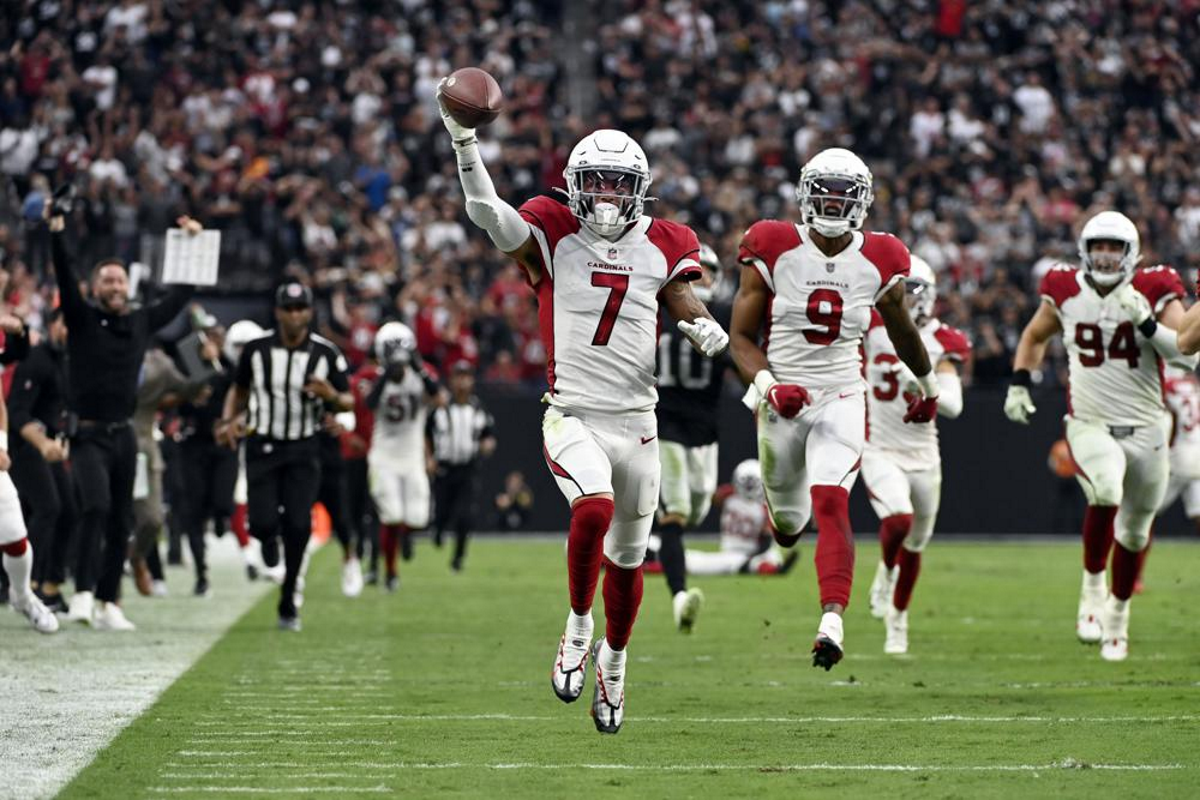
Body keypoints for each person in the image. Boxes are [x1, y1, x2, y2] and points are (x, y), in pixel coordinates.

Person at [438, 83, 728, 734]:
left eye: (616, 183)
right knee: (592, 507)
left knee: (628, 564)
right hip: (573, 412)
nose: (604, 196)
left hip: (639, 422)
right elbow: (487, 210)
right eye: (594, 181)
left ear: (638, 189)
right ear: (574, 184)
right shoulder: (552, 228)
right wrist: (464, 141)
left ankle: (615, 668)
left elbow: (681, 293)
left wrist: (702, 324)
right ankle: (576, 626)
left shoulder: (667, 239)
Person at [729, 147, 938, 671]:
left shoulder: (883, 256)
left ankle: (832, 621)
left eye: (845, 192)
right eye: (824, 189)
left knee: (832, 503)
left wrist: (928, 383)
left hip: (843, 393)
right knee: (789, 525)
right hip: (782, 398)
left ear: (863, 202)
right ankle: (787, 535)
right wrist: (771, 385)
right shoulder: (772, 244)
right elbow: (739, 339)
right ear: (804, 193)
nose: (833, 201)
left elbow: (901, 326)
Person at [1004, 211, 1195, 661]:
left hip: (1148, 426)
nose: (1105, 256)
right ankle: (1091, 591)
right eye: (1098, 247)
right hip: (1090, 421)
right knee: (1105, 490)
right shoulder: (1065, 287)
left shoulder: (1153, 287)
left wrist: (1147, 325)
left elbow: (1186, 356)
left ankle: (1117, 618)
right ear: (1084, 251)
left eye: (1114, 247)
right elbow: (1034, 336)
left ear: (1131, 253)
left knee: (1133, 533)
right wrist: (1018, 381)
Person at [47, 206, 198, 631]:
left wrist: (188, 241)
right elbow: (63, 273)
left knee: (121, 518)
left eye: (119, 279)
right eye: (107, 280)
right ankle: (80, 593)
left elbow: (180, 295)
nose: (114, 285)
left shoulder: (139, 321)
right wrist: (57, 231)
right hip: (88, 433)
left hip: (125, 433)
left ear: (127, 286)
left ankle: (110, 601)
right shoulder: (81, 319)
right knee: (93, 506)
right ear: (95, 288)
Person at [216, 282, 352, 632]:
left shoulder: (326, 353)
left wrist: (331, 395)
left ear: (309, 311)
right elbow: (239, 388)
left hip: (304, 447)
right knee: (261, 524)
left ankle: (289, 598)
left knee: (298, 525)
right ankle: (267, 539)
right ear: (277, 312)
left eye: (300, 308)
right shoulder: (256, 350)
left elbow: (350, 400)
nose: (295, 315)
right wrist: (230, 420)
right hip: (262, 444)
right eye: (288, 308)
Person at [861, 255, 970, 655]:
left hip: (924, 454)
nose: (907, 296)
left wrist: (924, 383)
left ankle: (898, 620)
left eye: (914, 288)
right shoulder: (870, 327)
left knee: (917, 544)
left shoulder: (944, 339)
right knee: (899, 520)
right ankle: (886, 573)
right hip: (879, 448)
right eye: (902, 287)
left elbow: (954, 404)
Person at [651, 243, 731, 632]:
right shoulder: (655, 312)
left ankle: (655, 546)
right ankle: (679, 595)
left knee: (696, 510)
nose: (702, 282)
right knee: (676, 513)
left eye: (707, 274)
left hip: (705, 432)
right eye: (694, 275)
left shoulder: (725, 315)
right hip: (666, 426)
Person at [131, 344, 214, 597]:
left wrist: (203, 363)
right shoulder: (100, 348)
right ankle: (100, 596)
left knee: (153, 518)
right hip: (101, 441)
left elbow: (191, 389)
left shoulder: (159, 363)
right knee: (101, 514)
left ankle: (136, 558)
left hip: (143, 445)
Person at [8, 308, 76, 614]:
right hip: (22, 446)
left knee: (69, 511)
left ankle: (50, 584)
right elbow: (18, 412)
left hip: (49, 445)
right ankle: (25, 586)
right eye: (66, 324)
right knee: (48, 508)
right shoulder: (36, 359)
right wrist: (43, 442)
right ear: (52, 325)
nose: (70, 331)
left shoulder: (67, 359)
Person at [365, 321, 440, 591]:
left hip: (412, 456)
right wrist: (387, 374)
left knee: (418, 518)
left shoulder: (422, 374)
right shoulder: (373, 376)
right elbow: (369, 404)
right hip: (383, 456)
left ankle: (406, 537)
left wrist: (417, 366)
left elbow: (439, 397)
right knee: (392, 515)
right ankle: (391, 572)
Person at [648, 460, 798, 577]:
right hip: (737, 554)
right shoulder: (739, 499)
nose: (749, 488)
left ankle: (648, 560)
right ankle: (649, 554)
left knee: (768, 557)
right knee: (687, 560)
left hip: (751, 553)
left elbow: (766, 540)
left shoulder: (730, 496)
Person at [176, 324, 240, 592]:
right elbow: (181, 398)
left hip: (223, 444)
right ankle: (202, 573)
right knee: (194, 510)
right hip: (194, 444)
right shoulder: (189, 367)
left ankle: (221, 516)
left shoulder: (228, 368)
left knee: (224, 500)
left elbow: (239, 389)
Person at [427, 359, 496, 572]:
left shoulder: (478, 408)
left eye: (466, 377)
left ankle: (458, 556)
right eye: (459, 376)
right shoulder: (441, 407)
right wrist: (429, 457)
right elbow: (426, 433)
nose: (462, 382)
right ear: (452, 379)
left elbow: (488, 435)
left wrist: (488, 444)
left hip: (468, 468)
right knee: (442, 513)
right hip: (445, 468)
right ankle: (438, 529)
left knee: (465, 515)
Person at [1156, 366, 1200, 536]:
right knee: (1198, 512)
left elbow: (1166, 422)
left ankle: (1124, 548)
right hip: (1197, 452)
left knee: (1144, 509)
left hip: (1178, 457)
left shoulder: (1166, 387)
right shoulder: (1194, 385)